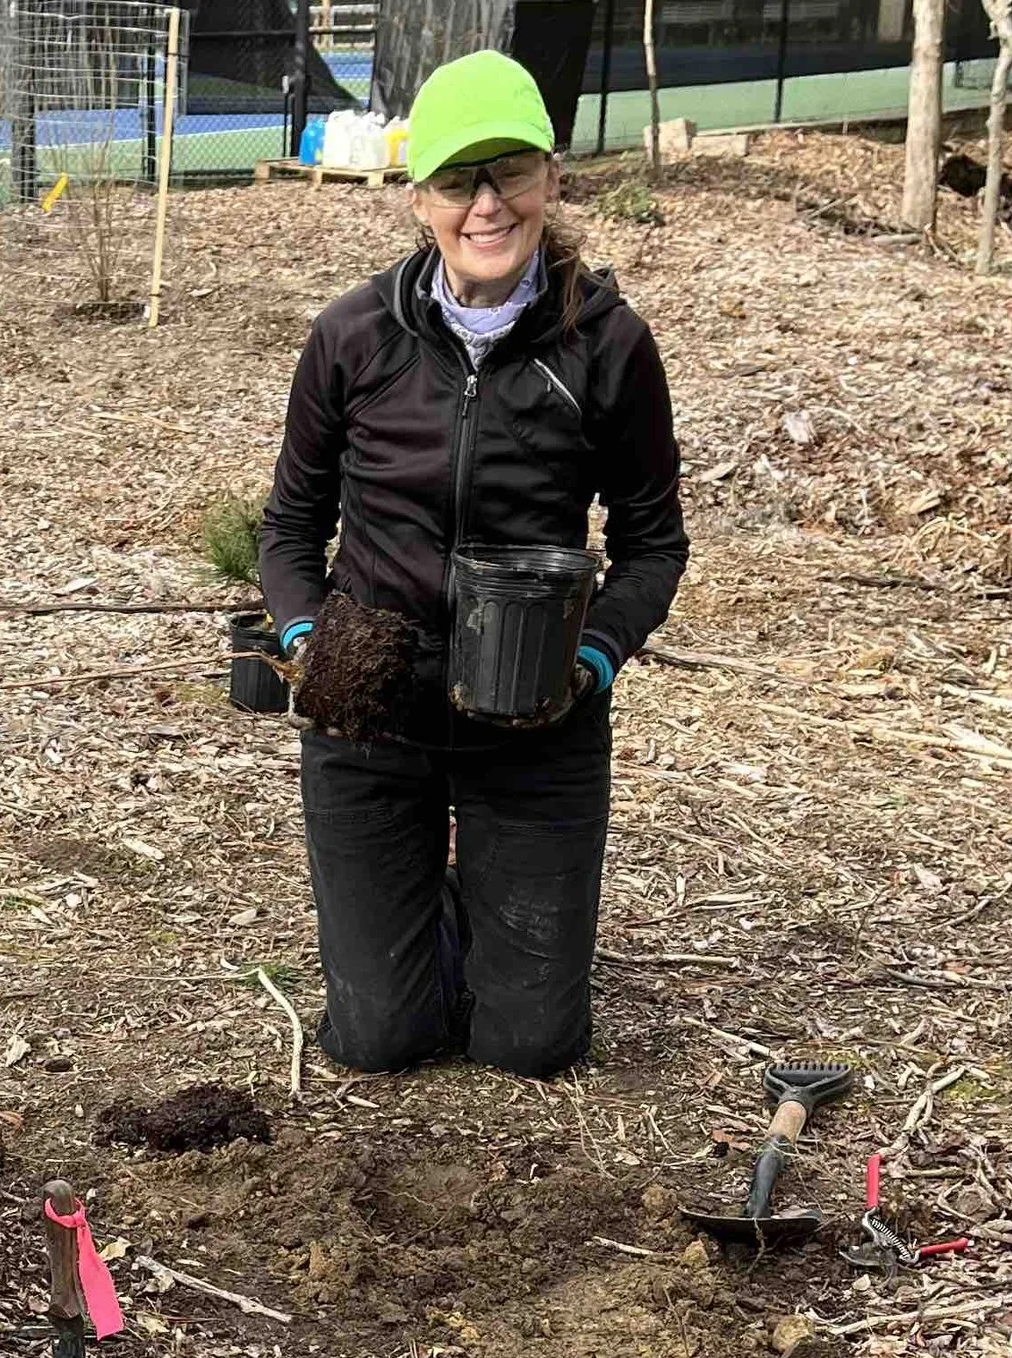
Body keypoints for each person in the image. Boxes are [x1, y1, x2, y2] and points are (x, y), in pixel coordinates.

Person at [260, 51, 689, 1079]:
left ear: (550, 177)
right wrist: (312, 642)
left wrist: (588, 659)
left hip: (534, 726)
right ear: (420, 200)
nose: (485, 204)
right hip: (374, 717)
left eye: (508, 172)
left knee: (530, 1046)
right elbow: (287, 531)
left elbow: (651, 545)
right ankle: (420, 918)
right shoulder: (353, 337)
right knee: (379, 1039)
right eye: (458, 181)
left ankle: (499, 916)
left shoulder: (607, 347)